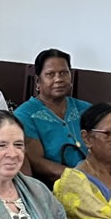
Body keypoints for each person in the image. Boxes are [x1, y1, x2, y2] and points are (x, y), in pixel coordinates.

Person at [16, 48, 92, 184]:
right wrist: (78, 177)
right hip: (53, 187)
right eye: (50, 74)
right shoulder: (24, 115)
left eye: (64, 73)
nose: (59, 79)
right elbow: (36, 162)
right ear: (38, 82)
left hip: (94, 180)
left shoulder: (86, 109)